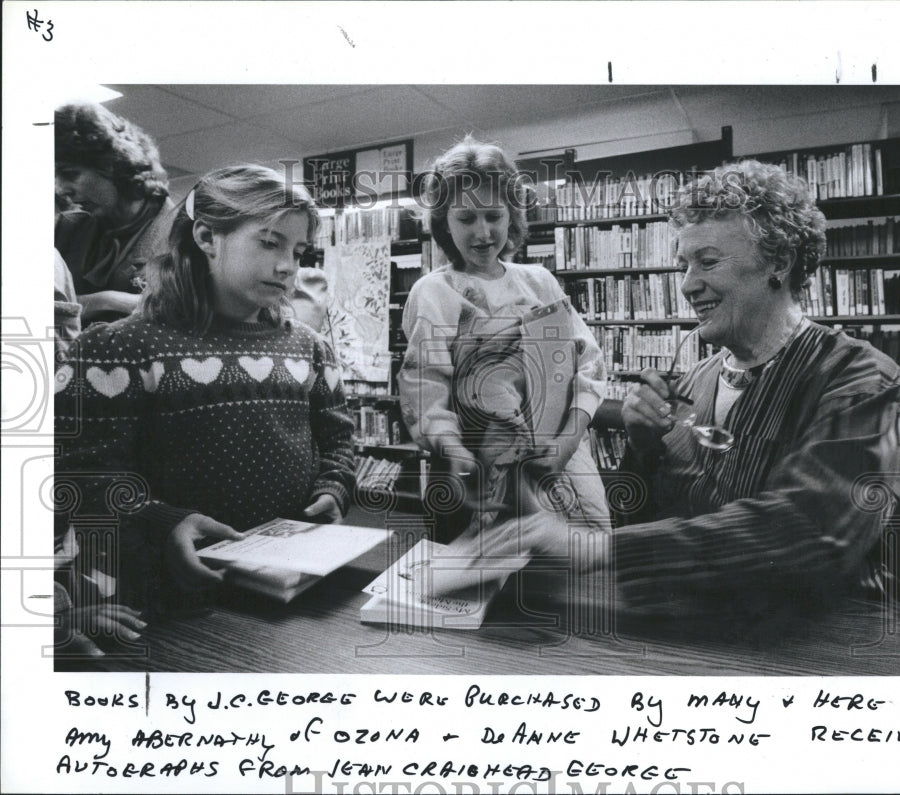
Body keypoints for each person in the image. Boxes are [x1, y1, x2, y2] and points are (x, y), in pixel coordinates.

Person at [487, 159, 900, 622]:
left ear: (779, 262)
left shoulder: (860, 377)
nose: (687, 285)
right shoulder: (691, 382)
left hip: (825, 645)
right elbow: (650, 522)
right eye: (683, 265)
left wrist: (598, 547)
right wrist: (643, 448)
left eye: (707, 262)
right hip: (708, 633)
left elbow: (812, 532)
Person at [54, 164, 357, 635]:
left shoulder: (309, 347)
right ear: (207, 237)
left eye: (298, 251)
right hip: (165, 602)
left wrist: (333, 486)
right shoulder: (116, 348)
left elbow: (338, 438)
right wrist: (162, 520)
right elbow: (80, 472)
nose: (288, 266)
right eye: (270, 242)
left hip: (291, 594)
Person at [398, 136, 612, 539]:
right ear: (443, 222)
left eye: (494, 216)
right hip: (480, 473)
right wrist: (455, 452)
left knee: (585, 564)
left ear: (511, 216)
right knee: (494, 577)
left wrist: (568, 441)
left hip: (563, 458)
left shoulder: (540, 281)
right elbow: (425, 386)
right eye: (466, 219)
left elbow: (589, 365)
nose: (483, 232)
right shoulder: (433, 292)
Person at [54, 102, 175, 325]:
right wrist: (108, 301)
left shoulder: (186, 232)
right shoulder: (62, 229)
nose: (60, 189)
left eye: (70, 174)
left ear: (114, 164)